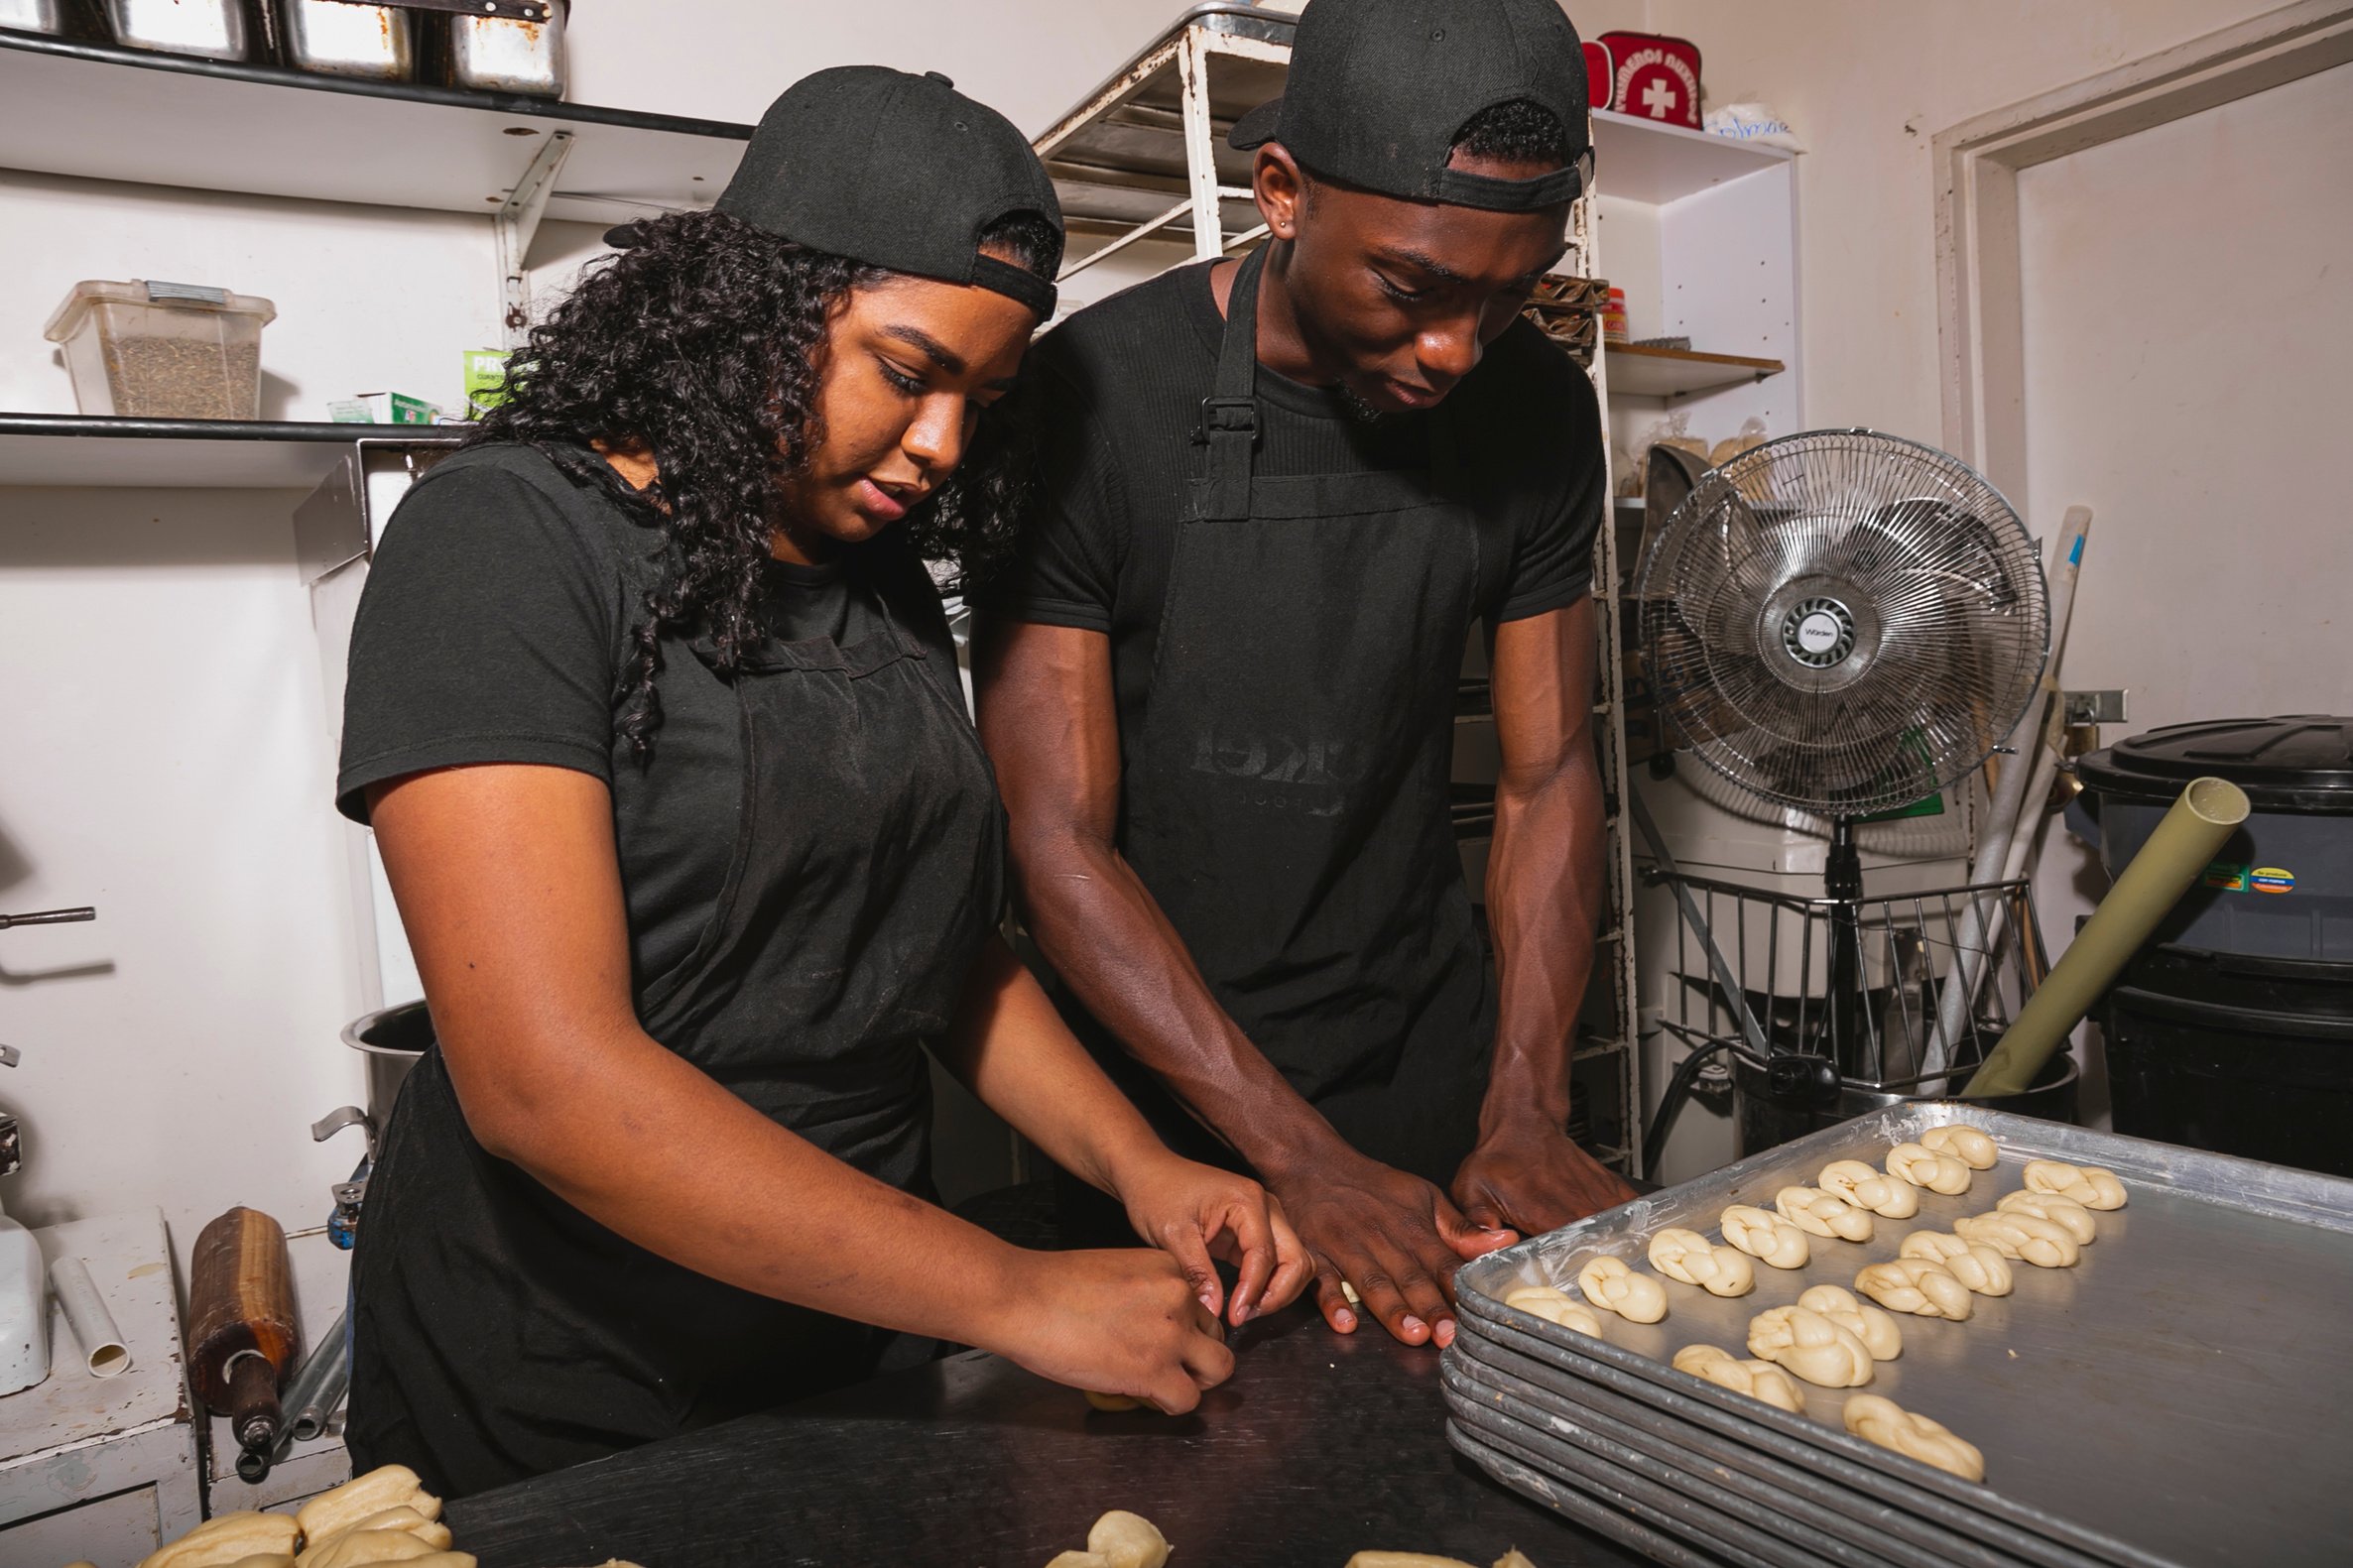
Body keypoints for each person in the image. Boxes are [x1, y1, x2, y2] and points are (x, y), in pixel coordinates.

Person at [335, 66, 1305, 1499]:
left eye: (985, 395)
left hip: (848, 1345)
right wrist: (1014, 1294)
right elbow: (547, 1084)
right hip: (556, 1383)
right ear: (751, 310)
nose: (942, 446)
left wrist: (1134, 1164)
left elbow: (935, 952)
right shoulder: (502, 545)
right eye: (908, 373)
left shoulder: (880, 585)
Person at [972, 0, 1638, 1356]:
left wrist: (1525, 1102)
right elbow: (1055, 842)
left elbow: (1547, 771)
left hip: (1425, 1057)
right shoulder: (1091, 400)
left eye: (1509, 296)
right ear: (1280, 193)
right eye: (1413, 286)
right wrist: (1296, 1157)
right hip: (1169, 1117)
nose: (1458, 349)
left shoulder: (1540, 412)